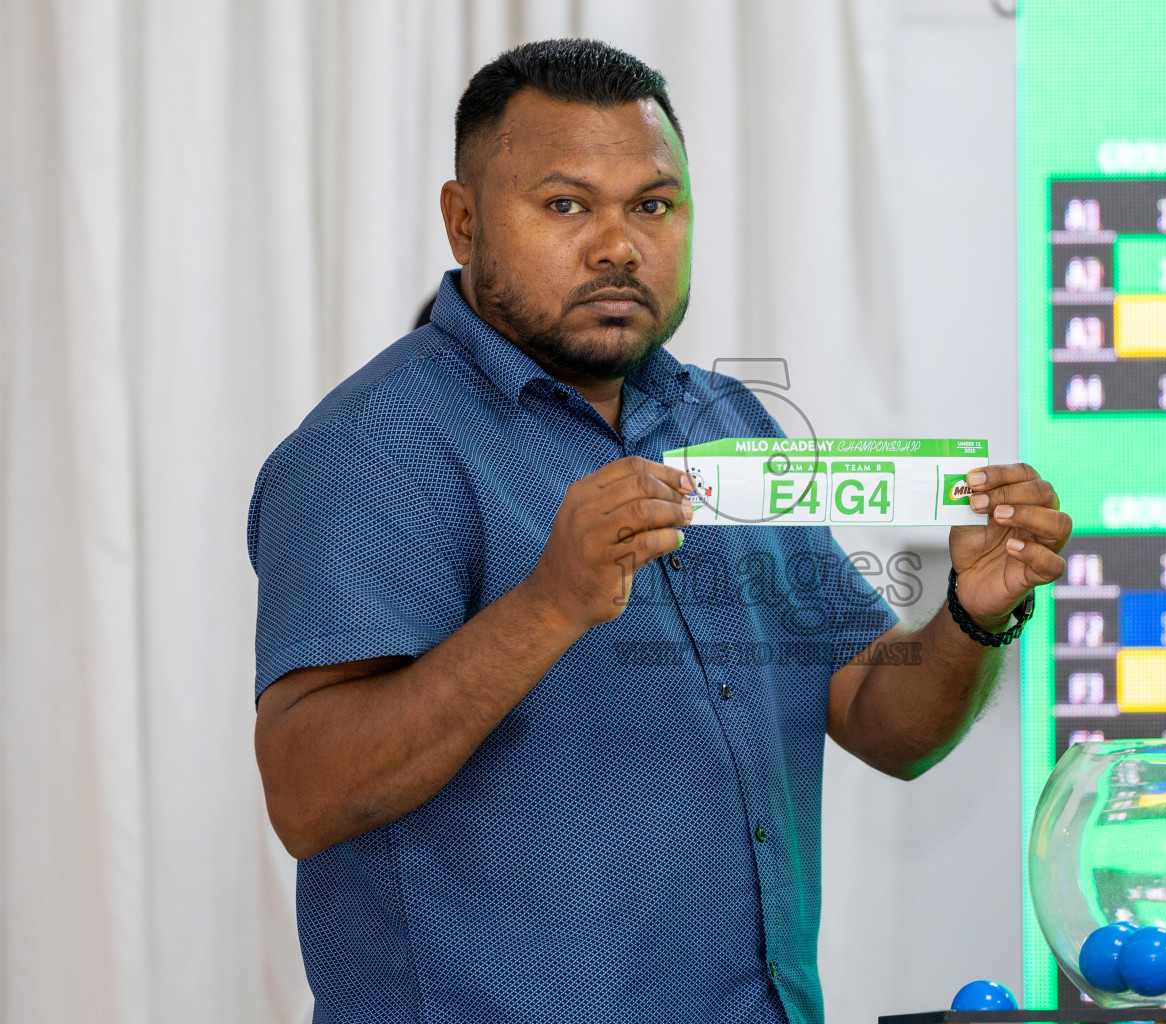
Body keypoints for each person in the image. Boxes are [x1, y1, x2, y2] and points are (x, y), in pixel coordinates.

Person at [248, 38, 1071, 1024]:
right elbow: (304, 792)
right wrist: (548, 604)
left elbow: (880, 718)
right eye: (565, 205)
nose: (618, 245)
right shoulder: (369, 447)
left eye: (652, 204)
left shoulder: (728, 420)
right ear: (463, 222)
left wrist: (971, 618)